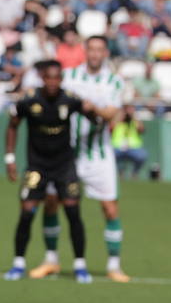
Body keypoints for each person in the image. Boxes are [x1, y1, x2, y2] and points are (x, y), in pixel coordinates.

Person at [31, 37, 128, 282]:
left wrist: (90, 107)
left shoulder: (113, 82)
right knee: (52, 201)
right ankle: (51, 259)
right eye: (91, 49)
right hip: (67, 153)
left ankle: (114, 265)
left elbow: (111, 114)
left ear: (105, 52)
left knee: (109, 207)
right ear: (85, 51)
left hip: (99, 155)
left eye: (99, 50)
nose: (95, 54)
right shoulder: (70, 76)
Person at [4, 60, 103, 283]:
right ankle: (18, 263)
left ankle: (80, 265)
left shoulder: (70, 99)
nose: (52, 82)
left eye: (56, 78)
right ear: (42, 79)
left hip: (64, 166)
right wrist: (10, 158)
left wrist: (93, 112)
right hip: (37, 165)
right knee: (27, 211)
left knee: (72, 211)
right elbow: (12, 126)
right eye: (48, 78)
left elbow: (95, 120)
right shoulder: (29, 100)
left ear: (61, 80)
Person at [112, 109, 147, 177]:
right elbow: (110, 128)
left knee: (141, 155)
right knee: (111, 155)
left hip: (133, 148)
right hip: (118, 147)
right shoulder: (118, 121)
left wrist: (134, 117)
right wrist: (119, 118)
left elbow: (142, 130)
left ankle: (135, 173)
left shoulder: (134, 121)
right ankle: (120, 173)